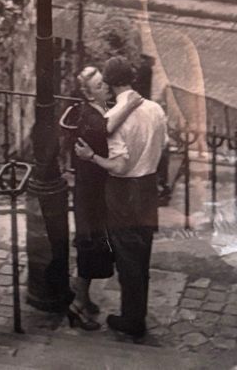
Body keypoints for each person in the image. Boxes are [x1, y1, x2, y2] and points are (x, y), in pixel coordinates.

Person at [75, 56, 167, 340]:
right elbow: (163, 144)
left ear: (110, 83)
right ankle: (136, 314)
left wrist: (93, 158)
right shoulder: (155, 109)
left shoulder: (114, 119)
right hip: (148, 188)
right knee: (142, 255)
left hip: (125, 192)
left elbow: (118, 166)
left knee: (127, 257)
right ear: (132, 78)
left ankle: (131, 320)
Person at [59, 66, 143, 330]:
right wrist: (130, 105)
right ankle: (77, 306)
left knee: (94, 248)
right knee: (90, 248)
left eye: (104, 83)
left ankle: (82, 299)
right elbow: (106, 129)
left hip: (94, 191)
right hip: (90, 195)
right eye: (98, 86)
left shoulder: (98, 109)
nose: (105, 87)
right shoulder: (90, 115)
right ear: (88, 94)